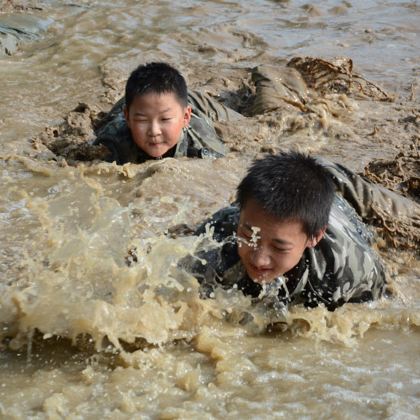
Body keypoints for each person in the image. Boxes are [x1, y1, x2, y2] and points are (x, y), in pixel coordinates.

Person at [185, 151, 419, 312]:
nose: (258, 258)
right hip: (295, 190)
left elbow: (381, 308)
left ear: (314, 238)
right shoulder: (218, 236)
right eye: (249, 236)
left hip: (342, 194)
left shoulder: (349, 268)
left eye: (279, 247)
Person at [94, 62, 242, 164]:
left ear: (185, 117)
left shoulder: (202, 143)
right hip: (139, 101)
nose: (154, 131)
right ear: (127, 118)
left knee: (249, 118)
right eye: (142, 121)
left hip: (195, 103)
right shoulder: (110, 141)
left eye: (164, 120)